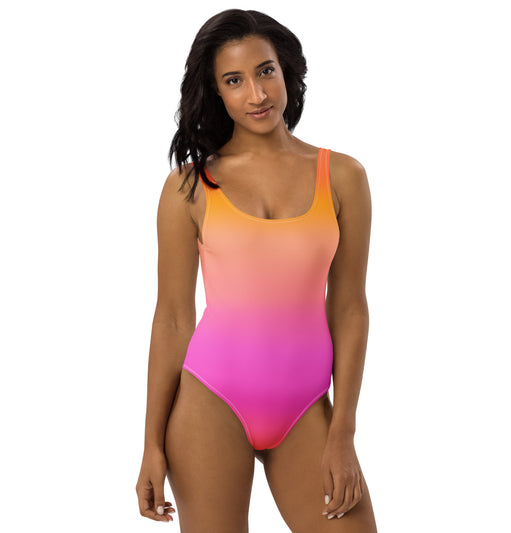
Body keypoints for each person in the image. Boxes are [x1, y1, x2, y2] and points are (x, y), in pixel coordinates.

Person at [135, 8, 377, 532]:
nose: (257, 93)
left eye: (266, 71)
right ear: (216, 91)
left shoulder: (343, 176)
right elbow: (172, 318)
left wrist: (343, 432)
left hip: (306, 407)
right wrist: (150, 444)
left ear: (286, 69)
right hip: (209, 402)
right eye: (234, 80)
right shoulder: (189, 187)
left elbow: (349, 308)